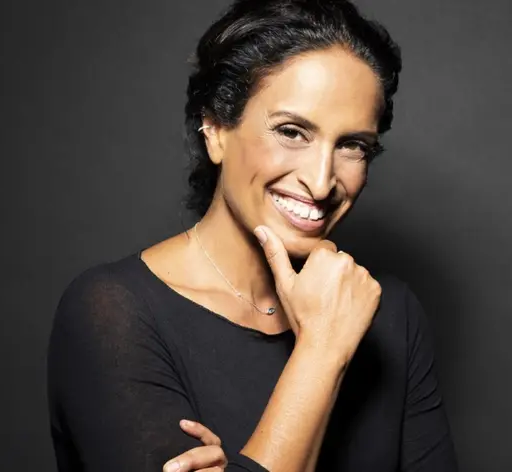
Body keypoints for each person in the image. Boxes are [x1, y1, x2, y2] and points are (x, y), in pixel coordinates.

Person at [46, 0, 458, 470]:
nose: (321, 182)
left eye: (352, 145)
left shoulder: (390, 313)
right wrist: (323, 349)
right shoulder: (112, 312)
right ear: (216, 129)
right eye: (292, 132)